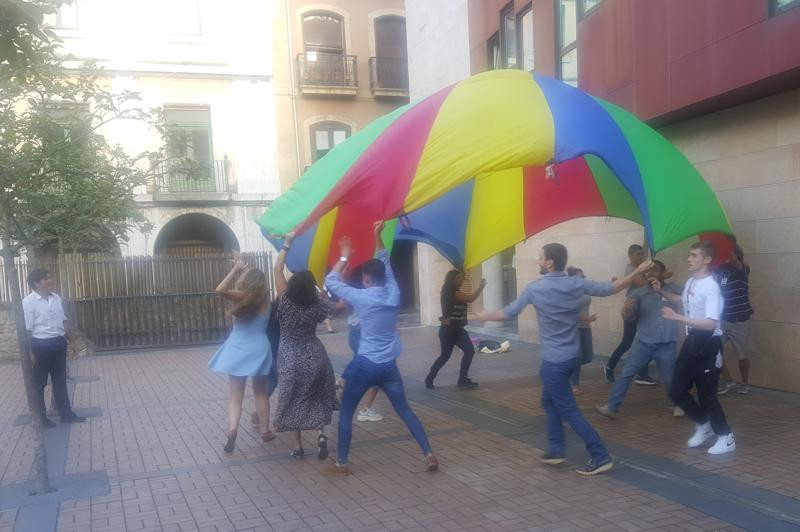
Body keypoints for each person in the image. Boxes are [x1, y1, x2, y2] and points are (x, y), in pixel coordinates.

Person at [478, 243, 653, 475]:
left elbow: (508, 313)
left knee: (569, 411)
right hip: (571, 357)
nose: (538, 261)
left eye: (540, 258)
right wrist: (636, 271)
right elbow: (612, 287)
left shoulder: (535, 288)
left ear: (550, 262)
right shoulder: (575, 283)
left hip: (554, 362)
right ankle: (556, 450)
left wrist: (483, 315)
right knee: (549, 402)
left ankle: (599, 455)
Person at [324, 221, 438, 476]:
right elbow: (385, 261)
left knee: (347, 413)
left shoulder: (361, 297)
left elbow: (331, 281)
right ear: (382, 278)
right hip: (389, 367)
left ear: (365, 280)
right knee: (405, 410)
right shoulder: (394, 293)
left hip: (365, 365)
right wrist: (377, 235)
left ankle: (342, 463)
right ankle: (428, 453)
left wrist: (344, 254)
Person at [659, 241, 735, 455]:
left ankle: (726, 436)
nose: (689, 259)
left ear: (707, 260)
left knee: (707, 396)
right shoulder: (692, 281)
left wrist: (676, 318)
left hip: (709, 343)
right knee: (676, 390)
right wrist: (661, 291)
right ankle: (704, 423)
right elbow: (684, 302)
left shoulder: (712, 287)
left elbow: (711, 322)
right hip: (692, 343)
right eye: (689, 255)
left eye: (694, 255)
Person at [273, 233, 338, 460]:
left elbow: (277, 269)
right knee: (318, 395)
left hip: (291, 357)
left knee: (293, 400)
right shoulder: (317, 306)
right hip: (314, 354)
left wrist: (287, 244)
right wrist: (318, 288)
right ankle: (321, 434)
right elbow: (330, 303)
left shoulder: (285, 302)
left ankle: (298, 446)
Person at [595, 260, 684, 418]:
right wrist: (626, 311)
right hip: (643, 342)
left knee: (670, 378)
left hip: (666, 343)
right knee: (626, 374)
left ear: (663, 273)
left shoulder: (673, 288)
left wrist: (661, 289)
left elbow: (689, 299)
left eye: (655, 270)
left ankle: (676, 403)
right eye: (648, 271)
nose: (650, 273)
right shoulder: (638, 293)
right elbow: (629, 318)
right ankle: (611, 407)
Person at [208, 259, 274, 453]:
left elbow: (219, 289)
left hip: (237, 347)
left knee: (235, 396)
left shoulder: (241, 297)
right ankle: (265, 431)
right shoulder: (265, 300)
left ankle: (232, 430)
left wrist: (235, 270)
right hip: (260, 347)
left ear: (246, 282)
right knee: (261, 393)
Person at [22, 269, 86, 428]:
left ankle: (66, 414)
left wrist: (73, 342)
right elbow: (27, 330)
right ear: (36, 283)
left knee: (60, 381)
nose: (50, 280)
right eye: (46, 279)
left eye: (50, 277)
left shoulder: (56, 298)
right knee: (40, 383)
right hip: (40, 346)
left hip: (59, 343)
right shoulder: (28, 302)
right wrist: (30, 353)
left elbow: (63, 322)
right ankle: (41, 418)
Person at [424, 270, 486, 390]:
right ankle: (430, 377)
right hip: (449, 330)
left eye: (462, 278)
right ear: (451, 280)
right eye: (458, 278)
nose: (461, 280)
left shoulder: (451, 292)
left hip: (457, 329)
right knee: (445, 356)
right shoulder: (453, 293)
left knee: (468, 351)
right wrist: (481, 287)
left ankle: (462, 379)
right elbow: (471, 298)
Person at [603, 244, 656, 385]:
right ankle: (609, 367)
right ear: (630, 256)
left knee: (646, 340)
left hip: (645, 308)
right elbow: (642, 283)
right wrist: (656, 276)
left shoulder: (642, 268)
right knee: (627, 342)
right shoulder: (631, 269)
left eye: (642, 254)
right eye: (638, 254)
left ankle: (642, 374)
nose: (641, 257)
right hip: (632, 309)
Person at [340, 266, 383, 422]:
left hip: (353, 334)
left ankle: (341, 388)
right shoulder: (366, 296)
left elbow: (342, 284)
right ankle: (365, 409)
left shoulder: (351, 297)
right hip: (364, 337)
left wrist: (346, 262)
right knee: (376, 374)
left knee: (357, 366)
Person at [715, 241, 753, 395]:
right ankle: (729, 381)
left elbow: (734, 261)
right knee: (714, 350)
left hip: (739, 321)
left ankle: (745, 384)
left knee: (741, 356)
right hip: (723, 319)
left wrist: (726, 243)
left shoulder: (742, 268)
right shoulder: (720, 270)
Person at [566, 267, 595, 396]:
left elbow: (599, 288)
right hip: (574, 327)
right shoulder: (570, 293)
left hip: (585, 327)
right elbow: (572, 312)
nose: (583, 279)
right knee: (577, 357)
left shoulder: (584, 288)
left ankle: (566, 369)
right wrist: (588, 318)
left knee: (588, 357)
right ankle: (574, 384)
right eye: (580, 277)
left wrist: (612, 283)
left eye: (583, 277)